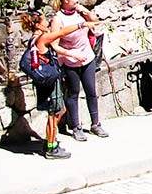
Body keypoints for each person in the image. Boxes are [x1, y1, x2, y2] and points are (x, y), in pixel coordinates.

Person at [20, 10, 100, 159]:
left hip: (48, 79)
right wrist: (81, 24)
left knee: (60, 110)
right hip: (49, 82)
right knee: (54, 113)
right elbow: (61, 33)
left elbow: (57, 48)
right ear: (38, 25)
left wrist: (74, 55)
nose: (48, 23)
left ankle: (50, 141)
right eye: (44, 21)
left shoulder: (35, 39)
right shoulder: (42, 38)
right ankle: (51, 147)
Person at [51, 0, 108, 141]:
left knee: (91, 91)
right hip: (71, 61)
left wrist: (85, 10)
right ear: (65, 1)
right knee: (73, 93)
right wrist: (72, 54)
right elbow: (55, 45)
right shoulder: (58, 19)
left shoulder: (79, 13)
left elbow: (95, 22)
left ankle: (96, 123)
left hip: (87, 57)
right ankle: (76, 126)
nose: (76, 0)